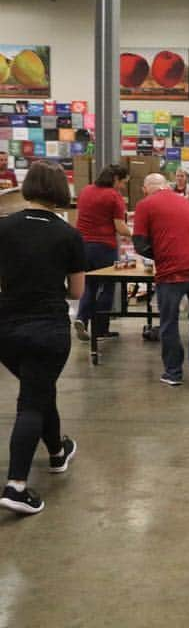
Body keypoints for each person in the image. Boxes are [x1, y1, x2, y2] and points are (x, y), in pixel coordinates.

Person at [0, 162, 84, 514]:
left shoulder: (3, 227)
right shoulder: (68, 236)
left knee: (40, 388)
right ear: (60, 193)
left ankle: (57, 450)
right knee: (33, 401)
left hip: (6, 328)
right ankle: (16, 486)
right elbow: (77, 292)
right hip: (47, 328)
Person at [133, 174, 189, 388]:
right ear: (166, 185)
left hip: (172, 272)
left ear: (146, 188)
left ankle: (173, 373)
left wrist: (160, 256)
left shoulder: (144, 205)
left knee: (169, 321)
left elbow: (140, 244)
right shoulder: (186, 201)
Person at [73, 164, 131, 342]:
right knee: (107, 287)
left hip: (82, 244)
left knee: (88, 285)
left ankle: (81, 318)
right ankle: (101, 328)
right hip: (104, 247)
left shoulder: (86, 190)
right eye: (122, 182)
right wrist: (137, 234)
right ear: (115, 179)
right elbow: (120, 228)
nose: (122, 186)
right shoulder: (114, 196)